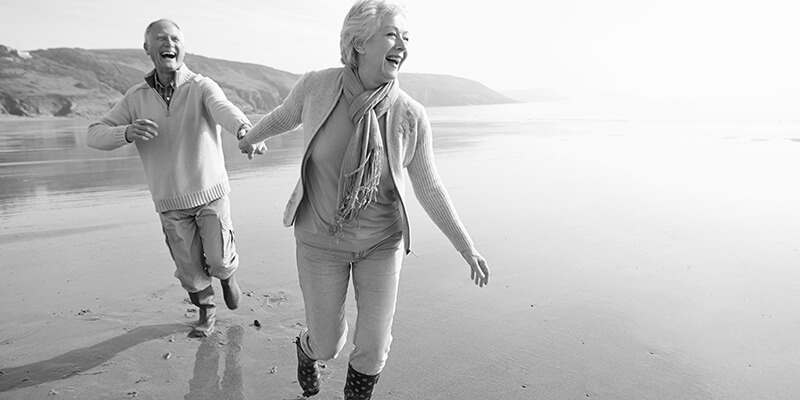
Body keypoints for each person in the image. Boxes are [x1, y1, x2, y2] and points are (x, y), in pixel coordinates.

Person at [239, 1, 490, 398]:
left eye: (406, 37)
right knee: (328, 344)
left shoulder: (410, 115)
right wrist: (250, 138)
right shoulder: (317, 87)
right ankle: (306, 351)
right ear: (358, 43)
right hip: (320, 241)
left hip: (380, 244)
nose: (402, 45)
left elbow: (430, 187)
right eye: (392, 34)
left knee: (374, 348)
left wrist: (467, 247)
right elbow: (284, 117)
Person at [87, 19, 266, 338]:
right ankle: (206, 311)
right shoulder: (135, 97)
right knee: (189, 269)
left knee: (219, 259)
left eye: (175, 38)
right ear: (147, 49)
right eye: (160, 38)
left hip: (210, 192)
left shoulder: (201, 86)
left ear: (184, 47)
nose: (168, 43)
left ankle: (227, 277)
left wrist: (244, 130)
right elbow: (94, 135)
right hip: (169, 201)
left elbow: (224, 109)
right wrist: (126, 132)